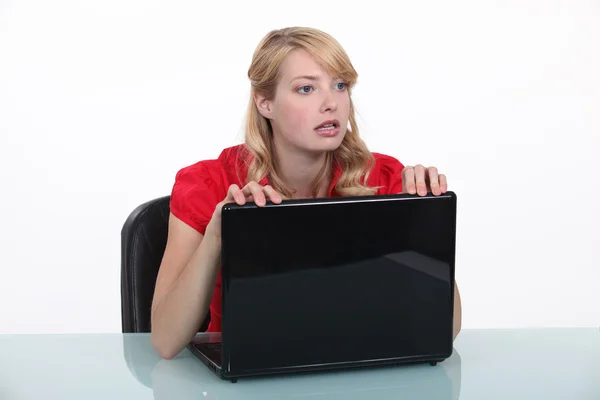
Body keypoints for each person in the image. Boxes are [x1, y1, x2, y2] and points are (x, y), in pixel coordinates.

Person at [150, 26, 462, 359]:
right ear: (265, 102)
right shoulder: (210, 182)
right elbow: (165, 341)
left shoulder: (384, 179)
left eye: (340, 86)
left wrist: (424, 220)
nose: (331, 104)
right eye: (306, 88)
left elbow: (447, 327)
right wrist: (216, 234)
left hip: (357, 365)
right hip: (248, 373)